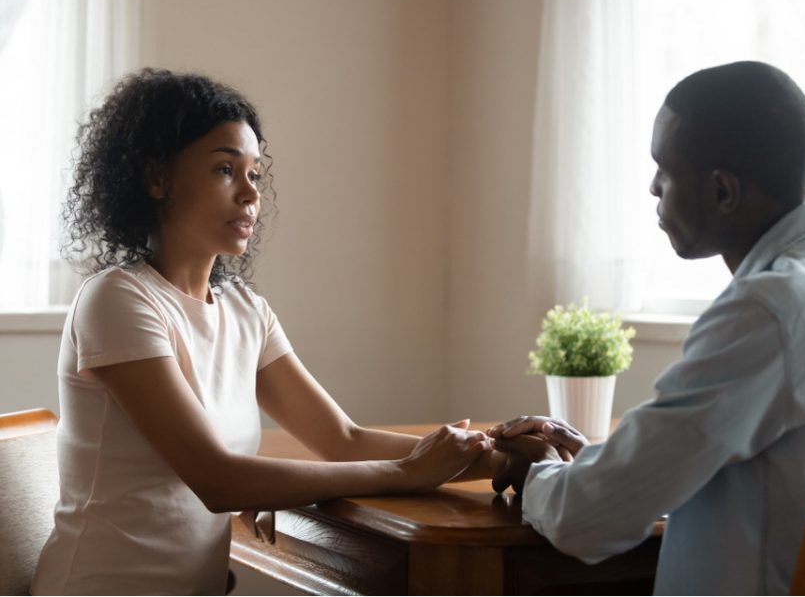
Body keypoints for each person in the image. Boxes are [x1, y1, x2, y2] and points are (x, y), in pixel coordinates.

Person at [31, 68, 495, 595]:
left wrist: (497, 455)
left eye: (254, 173)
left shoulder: (246, 311)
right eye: (224, 169)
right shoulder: (117, 300)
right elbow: (219, 479)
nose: (249, 194)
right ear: (157, 179)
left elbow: (343, 440)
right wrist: (405, 472)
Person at [488, 61, 805, 595]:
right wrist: (604, 462)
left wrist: (542, 469)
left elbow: (588, 519)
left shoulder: (765, 312)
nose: (653, 188)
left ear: (722, 191)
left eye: (664, 170)